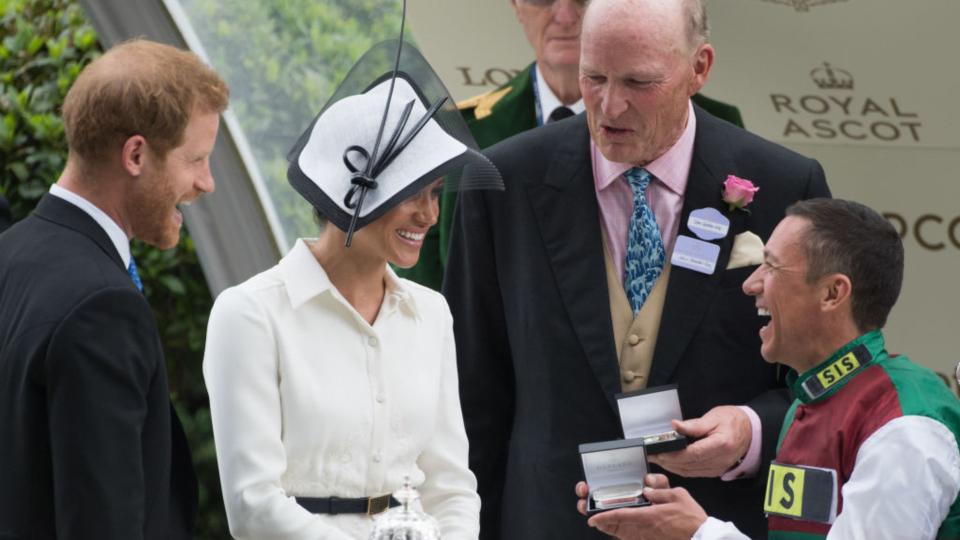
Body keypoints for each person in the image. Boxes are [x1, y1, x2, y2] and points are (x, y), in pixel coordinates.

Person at [442, 0, 831, 537]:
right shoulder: (500, 183)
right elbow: (471, 391)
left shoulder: (785, 185)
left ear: (700, 68)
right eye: (593, 77)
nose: (609, 106)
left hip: (715, 521)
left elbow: (821, 378)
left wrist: (751, 428)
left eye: (638, 82)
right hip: (547, 520)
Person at [202, 40, 494, 540]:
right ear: (348, 195)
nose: (428, 215)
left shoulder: (432, 314)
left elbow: (450, 486)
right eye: (411, 195)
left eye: (434, 194)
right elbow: (252, 504)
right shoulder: (250, 315)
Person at [577, 198, 960, 539]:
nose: (751, 284)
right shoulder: (816, 397)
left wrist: (697, 533)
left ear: (832, 293)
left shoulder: (902, 425)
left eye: (771, 267)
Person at [0, 39, 228, 538]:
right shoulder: (103, 307)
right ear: (136, 154)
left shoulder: (10, 251)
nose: (207, 182)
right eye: (196, 159)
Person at [398, 0, 745, 290]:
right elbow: (428, 298)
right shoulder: (456, 134)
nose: (565, 15)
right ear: (516, 5)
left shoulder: (715, 126)